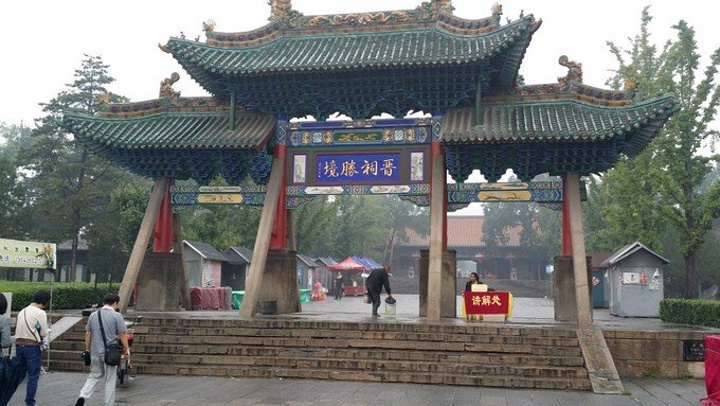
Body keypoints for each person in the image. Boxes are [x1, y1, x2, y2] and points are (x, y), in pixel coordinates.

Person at [74, 294, 129, 406]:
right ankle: (108, 404)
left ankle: (83, 396)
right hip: (111, 354)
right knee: (110, 380)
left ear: (104, 302)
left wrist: (87, 350)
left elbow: (88, 334)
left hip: (95, 352)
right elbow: (123, 334)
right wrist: (127, 349)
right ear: (115, 303)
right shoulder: (117, 316)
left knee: (94, 375)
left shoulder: (93, 315)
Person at [14, 290, 50, 406]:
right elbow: (43, 333)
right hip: (32, 347)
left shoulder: (22, 311)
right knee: (33, 376)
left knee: (19, 375)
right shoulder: (41, 313)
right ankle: (30, 403)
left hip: (19, 346)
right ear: (45, 302)